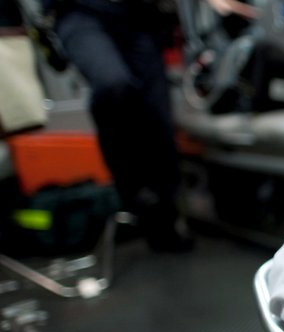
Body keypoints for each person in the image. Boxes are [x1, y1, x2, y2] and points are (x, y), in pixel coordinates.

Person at [47, 0, 255, 251]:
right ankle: (131, 192)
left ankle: (163, 219)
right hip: (82, 14)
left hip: (137, 17)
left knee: (158, 116)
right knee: (113, 84)